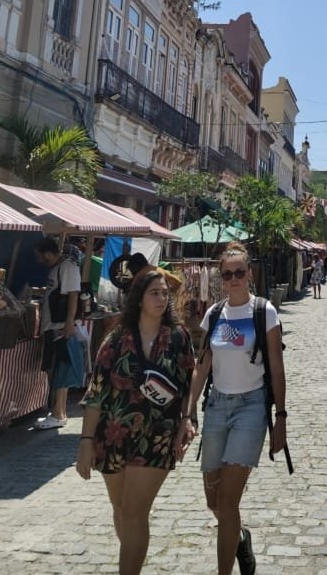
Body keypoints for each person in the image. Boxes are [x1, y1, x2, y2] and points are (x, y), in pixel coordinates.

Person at [75, 270, 195, 575]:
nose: (161, 298)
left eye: (165, 293)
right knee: (121, 510)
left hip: (157, 437)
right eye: (154, 292)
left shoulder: (178, 337)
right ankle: (132, 554)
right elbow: (97, 391)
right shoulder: (117, 337)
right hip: (113, 435)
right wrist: (86, 442)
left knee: (134, 511)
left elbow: (188, 384)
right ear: (139, 297)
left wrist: (188, 419)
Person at [179, 241, 287, 575]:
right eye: (227, 274)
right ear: (220, 279)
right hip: (217, 407)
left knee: (227, 501)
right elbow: (202, 365)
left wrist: (280, 418)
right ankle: (240, 536)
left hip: (250, 408)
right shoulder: (214, 314)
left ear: (249, 274)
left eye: (239, 272)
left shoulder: (264, 312)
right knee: (214, 500)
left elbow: (277, 367)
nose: (233, 279)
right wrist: (189, 410)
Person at [35, 236, 81, 429]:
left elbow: (73, 295)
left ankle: (57, 413)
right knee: (57, 369)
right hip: (53, 326)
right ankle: (58, 412)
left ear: (47, 254)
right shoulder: (56, 269)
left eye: (39, 257)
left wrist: (69, 322)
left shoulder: (67, 267)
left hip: (61, 327)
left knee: (61, 369)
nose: (38, 261)